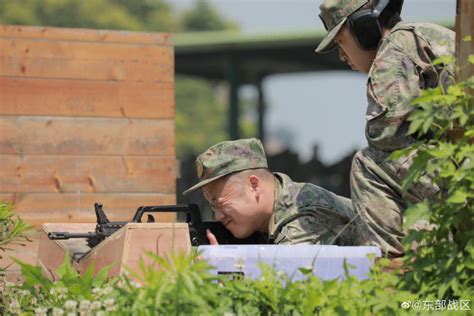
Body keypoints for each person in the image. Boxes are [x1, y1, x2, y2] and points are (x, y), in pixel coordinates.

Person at [316, 0, 455, 256]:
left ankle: (387, 272)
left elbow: (386, 134)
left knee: (368, 162)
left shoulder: (395, 48)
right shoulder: (426, 34)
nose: (342, 55)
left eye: (340, 41)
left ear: (364, 27)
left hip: (460, 178)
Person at [183, 138, 362, 246]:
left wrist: (223, 266)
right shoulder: (261, 220)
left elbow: (286, 290)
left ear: (254, 185)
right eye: (213, 207)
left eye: (221, 204)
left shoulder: (303, 217)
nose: (218, 216)